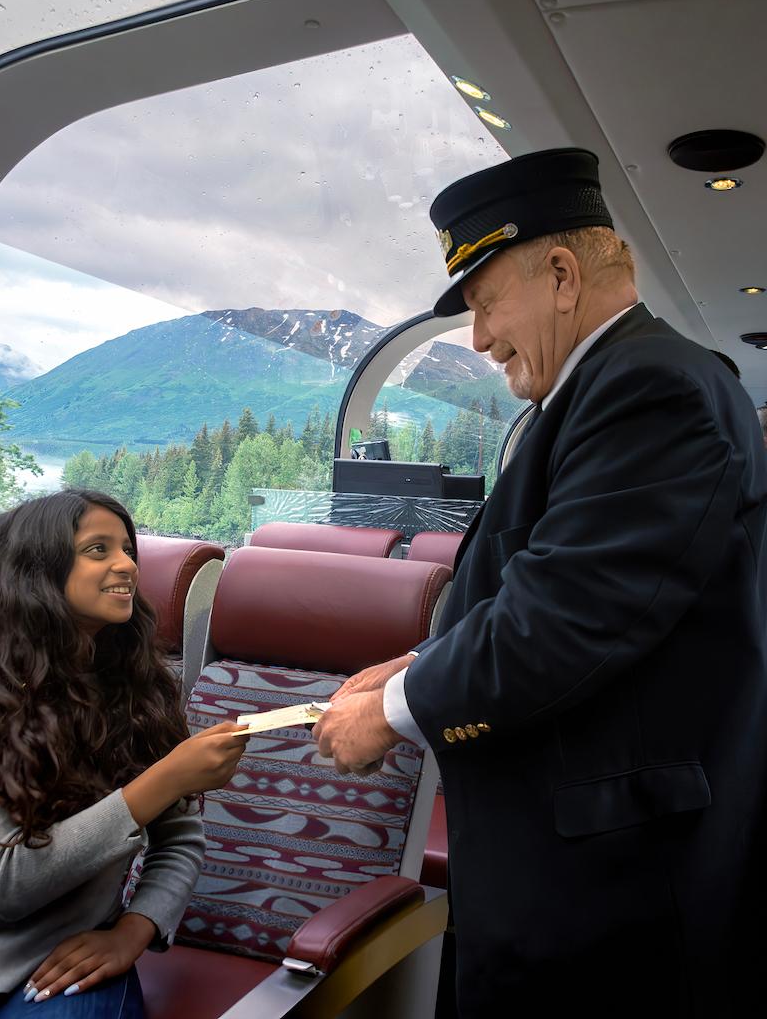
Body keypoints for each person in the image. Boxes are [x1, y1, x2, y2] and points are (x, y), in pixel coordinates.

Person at [313, 148, 767, 1018]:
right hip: (570, 878)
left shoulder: (652, 389)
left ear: (562, 274)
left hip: (619, 900)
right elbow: (540, 584)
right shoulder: (586, 396)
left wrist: (392, 709)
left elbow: (564, 620)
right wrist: (410, 661)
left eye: (485, 304)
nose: (479, 340)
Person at [0, 488, 247, 1018]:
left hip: (72, 954)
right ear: (36, 572)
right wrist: (164, 780)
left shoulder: (141, 687)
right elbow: (4, 886)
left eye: (128, 549)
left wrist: (132, 932)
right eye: (98, 550)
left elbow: (180, 839)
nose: (127, 565)